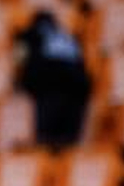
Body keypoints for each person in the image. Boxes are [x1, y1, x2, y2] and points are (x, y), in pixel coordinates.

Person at [15, 9, 90, 148]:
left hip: (48, 95)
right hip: (77, 97)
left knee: (46, 144)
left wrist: (19, 86)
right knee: (68, 146)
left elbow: (19, 61)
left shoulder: (28, 36)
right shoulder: (69, 38)